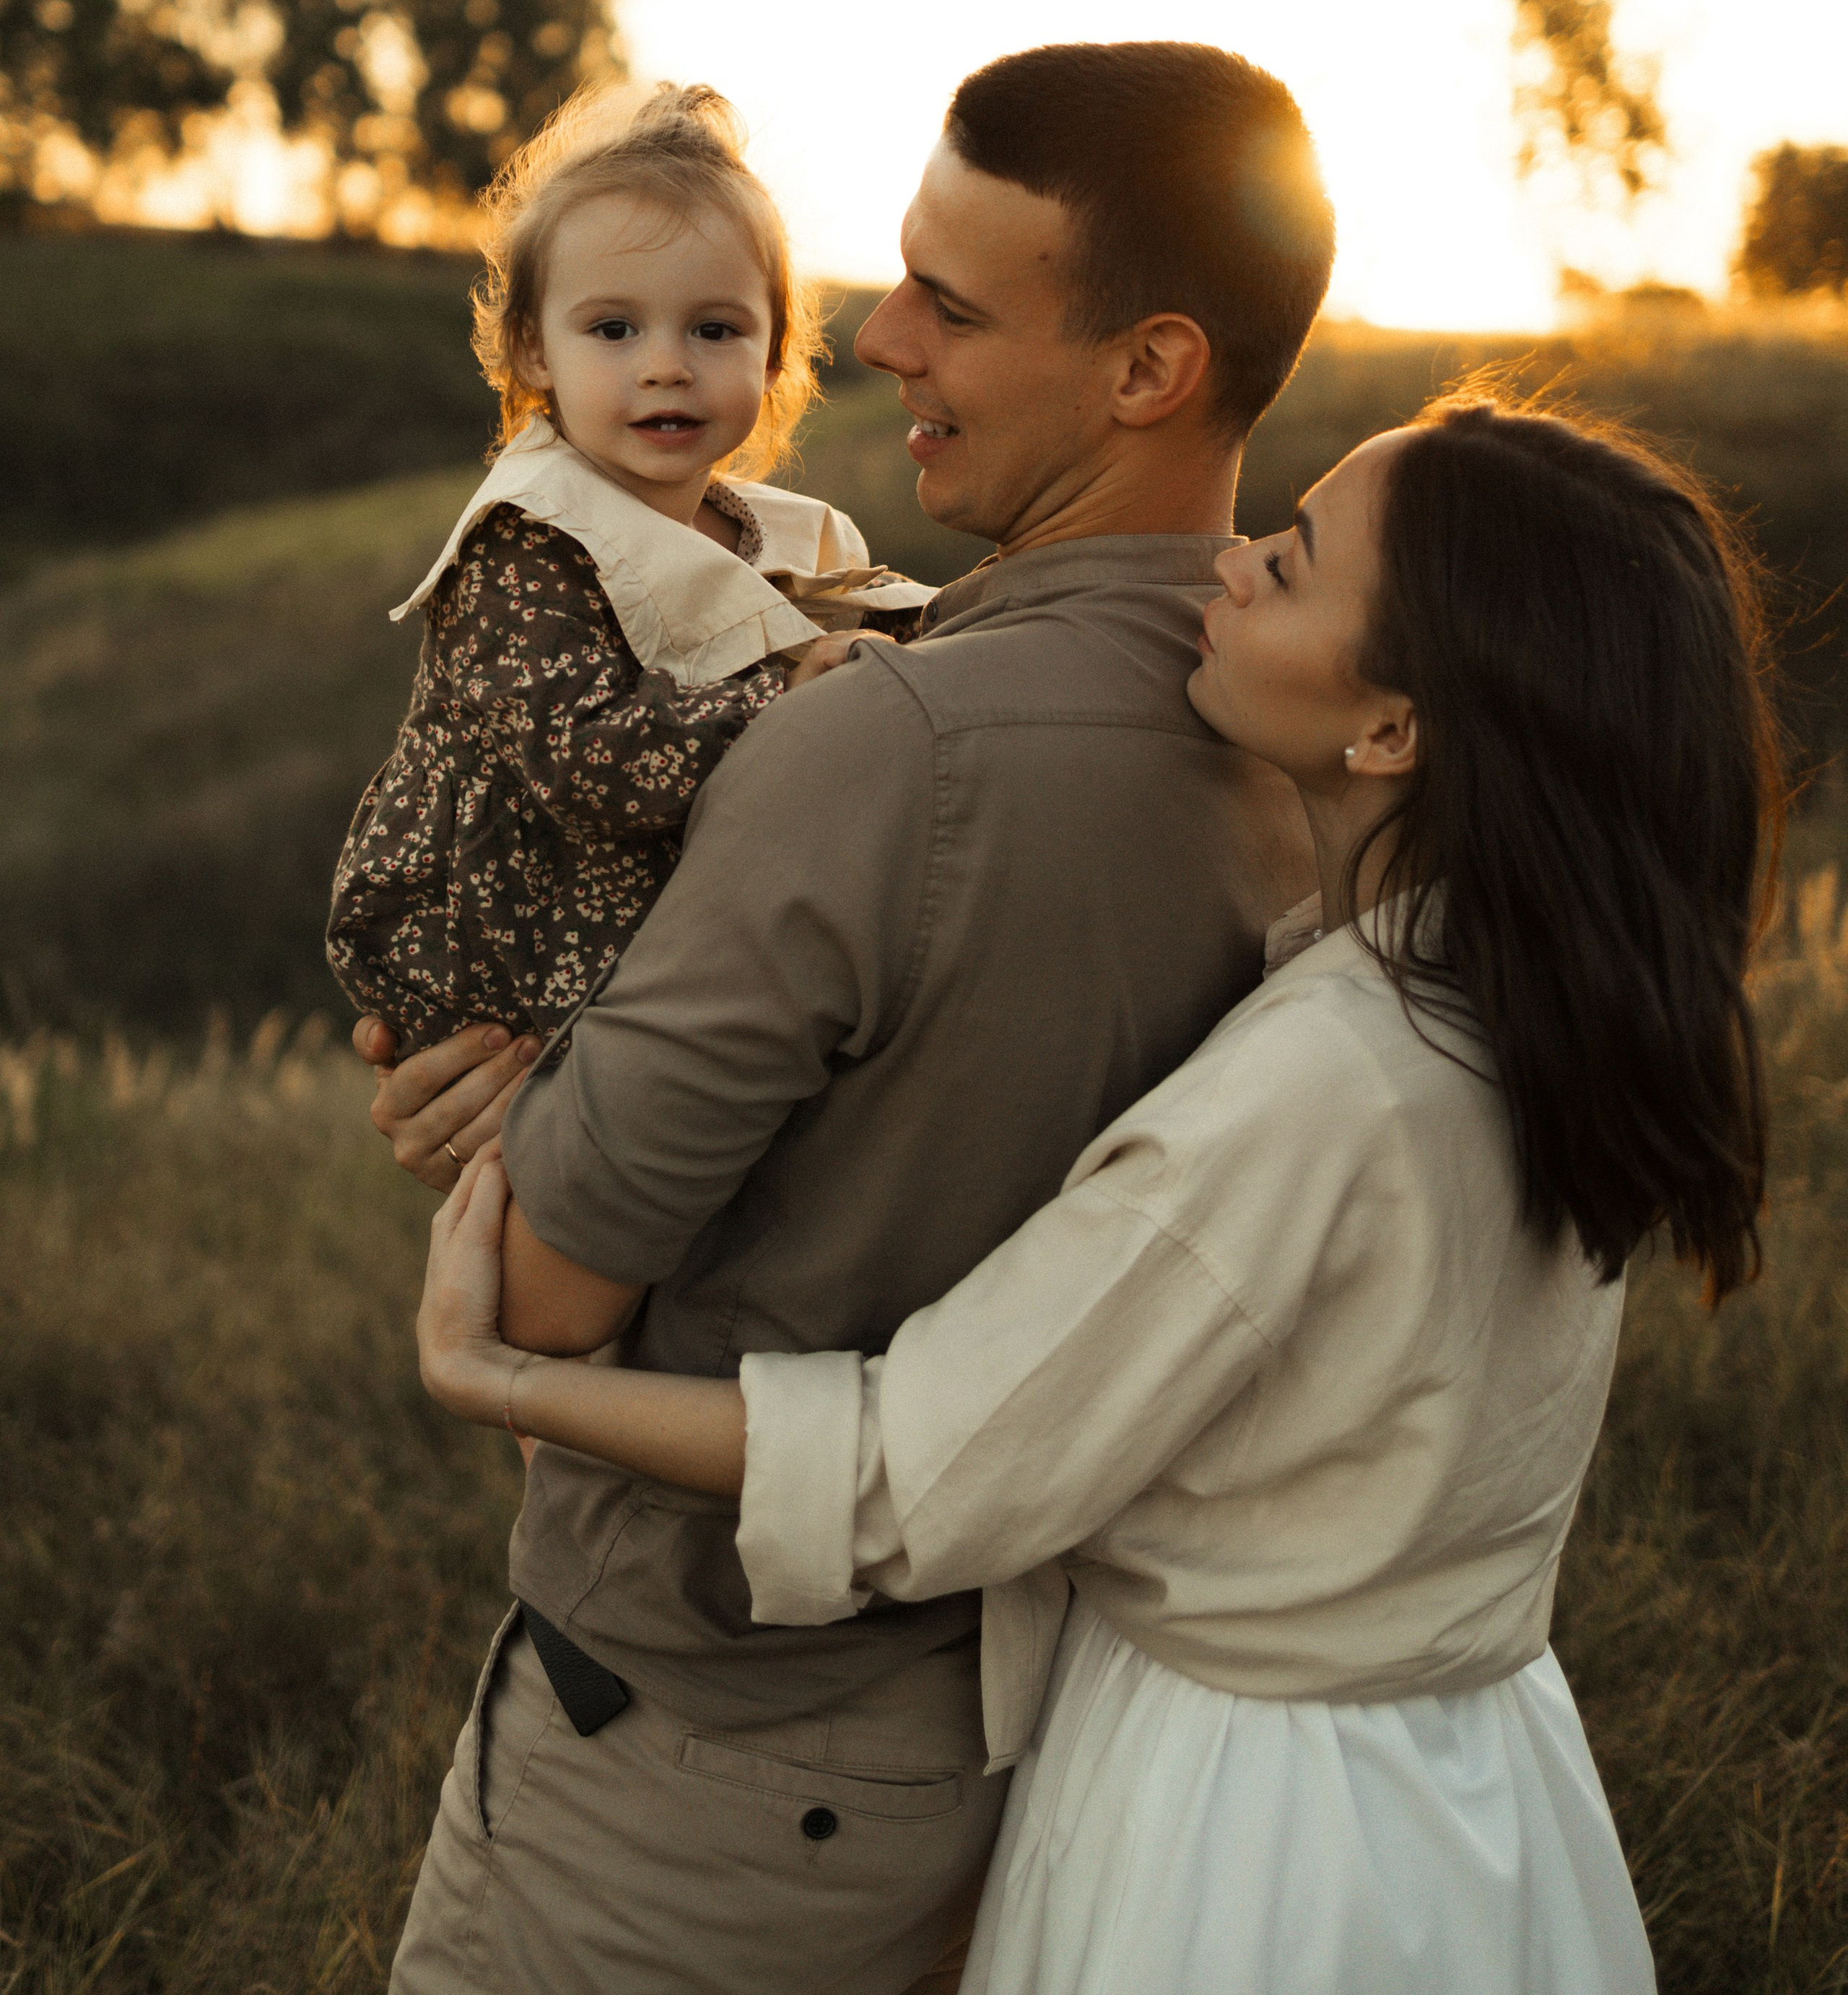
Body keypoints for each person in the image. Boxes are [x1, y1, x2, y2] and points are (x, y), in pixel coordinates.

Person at [418, 393, 1778, 1995]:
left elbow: (911, 1469)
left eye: (1287, 559)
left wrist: (498, 1376)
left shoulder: (1331, 1077)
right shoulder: (1538, 1020)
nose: (1228, 566)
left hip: (1249, 1834)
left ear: (1395, 727)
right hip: (1477, 1794)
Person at [360, 40, 1336, 1993]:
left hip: (693, 1779)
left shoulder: (875, 746)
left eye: (951, 305)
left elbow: (545, 1296)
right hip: (1036, 1731)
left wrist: (522, 1097)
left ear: (1147, 369)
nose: (877, 337)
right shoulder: (1312, 743)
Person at [328, 78, 928, 1056]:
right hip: (495, 931)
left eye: (715, 329)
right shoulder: (527, 544)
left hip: (626, 929)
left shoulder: (773, 537)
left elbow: (846, 636)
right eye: (614, 329)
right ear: (533, 348)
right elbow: (579, 760)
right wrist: (784, 701)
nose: (666, 365)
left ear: (774, 354)